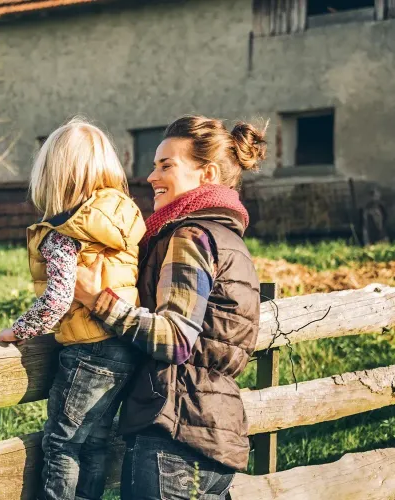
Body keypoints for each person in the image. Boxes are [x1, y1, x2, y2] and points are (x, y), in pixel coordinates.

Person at [74, 115, 265, 499]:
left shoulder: (190, 236)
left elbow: (176, 340)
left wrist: (98, 301)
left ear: (207, 173)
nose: (151, 176)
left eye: (166, 166)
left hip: (174, 440)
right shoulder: (228, 238)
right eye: (154, 164)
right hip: (215, 439)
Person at [0, 117, 145, 500]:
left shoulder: (65, 231)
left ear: (52, 175)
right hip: (127, 342)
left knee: (62, 442)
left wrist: (18, 330)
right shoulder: (123, 218)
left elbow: (59, 297)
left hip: (88, 349)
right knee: (95, 440)